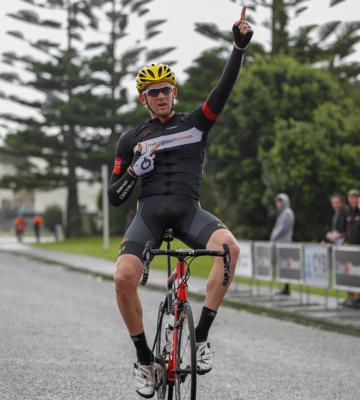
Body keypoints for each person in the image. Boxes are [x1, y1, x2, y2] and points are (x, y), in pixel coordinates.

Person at [108, 7, 252, 398]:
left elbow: (221, 93)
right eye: (153, 92)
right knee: (123, 278)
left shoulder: (195, 124)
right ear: (143, 98)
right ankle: (143, 360)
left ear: (175, 92)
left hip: (188, 210)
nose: (160, 96)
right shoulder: (131, 139)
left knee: (230, 250)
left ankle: (201, 336)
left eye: (166, 89)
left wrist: (237, 50)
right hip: (149, 214)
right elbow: (115, 196)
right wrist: (135, 173)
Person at [342, 189, 360, 309]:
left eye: (355, 198)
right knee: (353, 274)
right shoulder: (349, 212)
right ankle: (354, 298)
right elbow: (347, 229)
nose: (352, 200)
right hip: (352, 248)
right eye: (350, 198)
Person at [270, 193, 295, 296]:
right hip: (279, 243)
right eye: (278, 201)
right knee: (282, 266)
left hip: (284, 243)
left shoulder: (287, 213)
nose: (279, 203)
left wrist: (273, 237)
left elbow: (283, 229)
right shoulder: (282, 213)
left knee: (285, 266)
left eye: (281, 201)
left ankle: (286, 288)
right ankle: (284, 288)